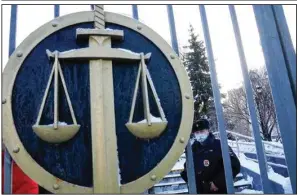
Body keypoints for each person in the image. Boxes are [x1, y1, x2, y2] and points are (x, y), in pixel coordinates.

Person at [180, 119, 241, 194]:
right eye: (197, 132)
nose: (199, 135)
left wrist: (217, 183)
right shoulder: (193, 148)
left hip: (217, 190)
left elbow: (235, 166)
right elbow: (188, 167)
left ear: (208, 131)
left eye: (202, 131)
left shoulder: (219, 145)